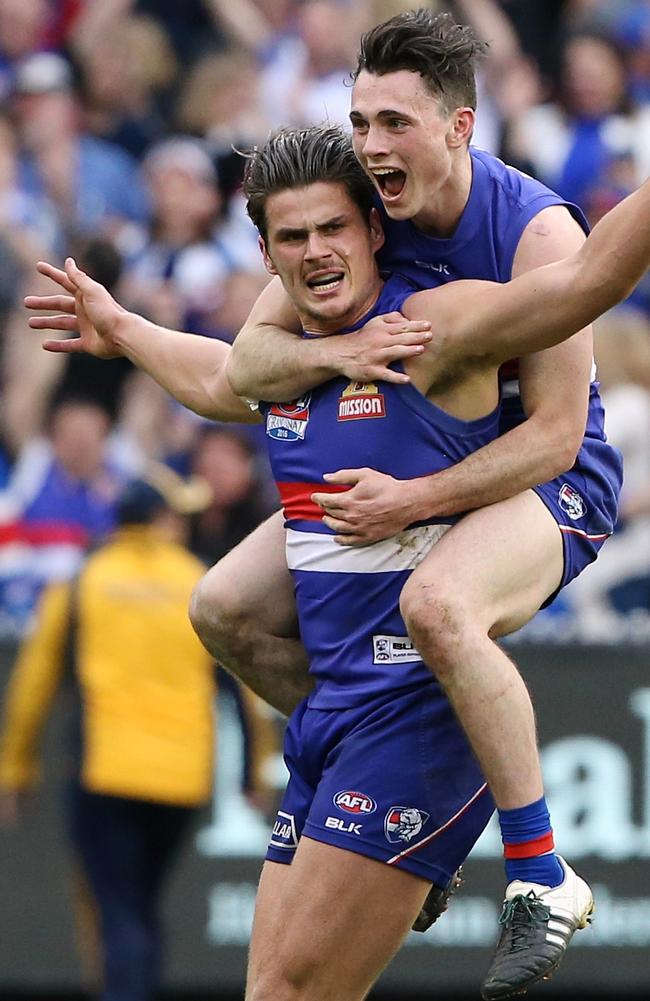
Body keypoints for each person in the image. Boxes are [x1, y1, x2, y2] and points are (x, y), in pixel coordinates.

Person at [24, 120, 650, 999]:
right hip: (334, 721)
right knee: (278, 989)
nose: (317, 252)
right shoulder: (288, 356)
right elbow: (215, 379)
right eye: (293, 237)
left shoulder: (427, 327)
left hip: (412, 715)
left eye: (332, 228)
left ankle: (536, 865)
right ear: (268, 256)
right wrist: (124, 327)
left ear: (373, 230)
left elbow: (586, 281)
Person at [188, 10, 616, 994]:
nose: (371, 144)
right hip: (422, 462)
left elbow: (553, 436)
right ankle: (380, 783)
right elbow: (247, 366)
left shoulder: (534, 229)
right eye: (359, 120)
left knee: (436, 606)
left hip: (545, 481)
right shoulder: (350, 207)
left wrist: (410, 500)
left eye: (393, 122)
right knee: (224, 608)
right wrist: (335, 353)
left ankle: (540, 869)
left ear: (460, 127)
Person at [0, 468, 217, 1001]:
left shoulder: (82, 581)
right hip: (182, 779)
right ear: (162, 520)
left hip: (107, 772)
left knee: (117, 910)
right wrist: (250, 770)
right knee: (141, 907)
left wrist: (14, 769)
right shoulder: (199, 579)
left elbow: (33, 683)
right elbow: (243, 679)